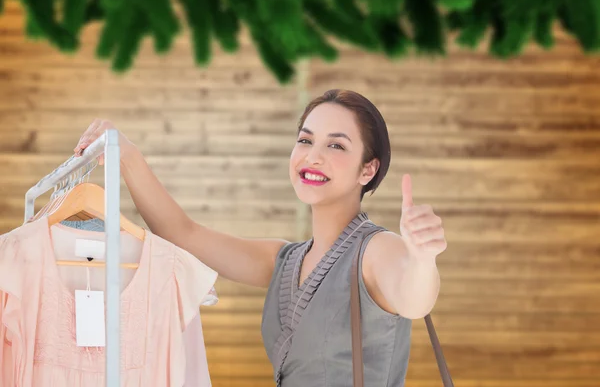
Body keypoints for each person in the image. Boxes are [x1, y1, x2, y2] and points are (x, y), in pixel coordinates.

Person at [74, 89, 447, 386]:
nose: (312, 156)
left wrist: (422, 258)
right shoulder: (284, 261)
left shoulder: (376, 250)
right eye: (305, 140)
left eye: (335, 145)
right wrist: (128, 157)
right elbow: (182, 234)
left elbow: (414, 299)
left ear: (368, 169)